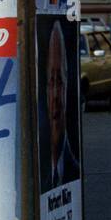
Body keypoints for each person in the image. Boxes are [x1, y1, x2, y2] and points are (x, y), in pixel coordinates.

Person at [42, 22, 80, 191]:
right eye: (51, 82)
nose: (56, 95)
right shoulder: (38, 174)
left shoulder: (74, 170)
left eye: (60, 81)